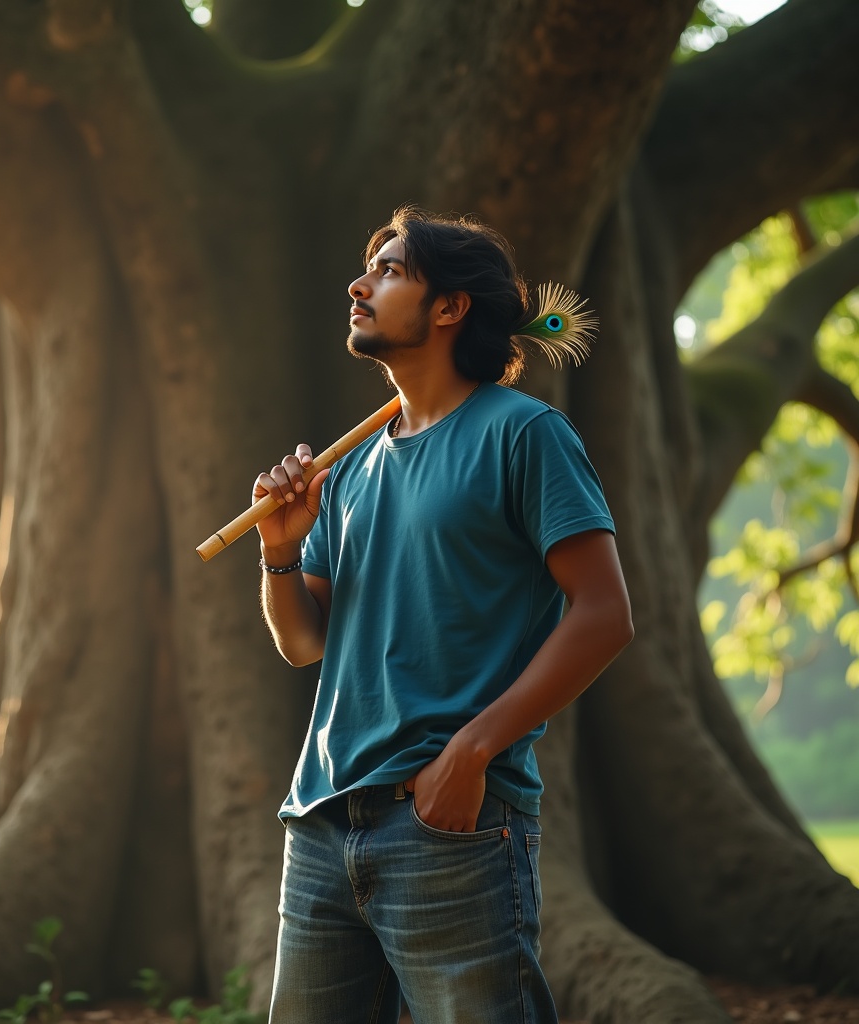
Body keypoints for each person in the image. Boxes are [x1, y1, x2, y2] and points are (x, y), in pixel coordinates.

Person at [253, 206, 634, 1024]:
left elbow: (605, 615)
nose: (359, 285)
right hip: (320, 821)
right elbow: (302, 642)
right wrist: (279, 549)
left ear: (451, 306)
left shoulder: (525, 434)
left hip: (450, 823)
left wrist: (472, 750)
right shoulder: (349, 469)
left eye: (390, 271)